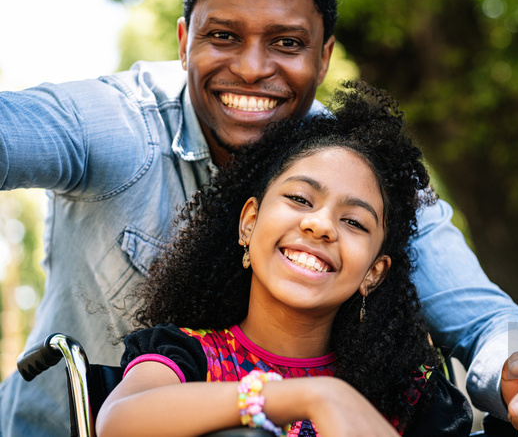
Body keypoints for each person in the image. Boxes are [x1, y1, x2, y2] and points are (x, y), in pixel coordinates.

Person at [0, 0, 518, 436]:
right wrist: (303, 396)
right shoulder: (116, 126)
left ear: (324, 56)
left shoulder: (369, 174)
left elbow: (489, 322)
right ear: (184, 41)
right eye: (224, 35)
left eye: (286, 43)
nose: (253, 69)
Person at [95, 83, 473, 437]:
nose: (321, 225)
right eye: (300, 199)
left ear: (373, 273)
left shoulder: (408, 393)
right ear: (249, 222)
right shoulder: (186, 356)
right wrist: (313, 396)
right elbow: (118, 421)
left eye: (354, 222)